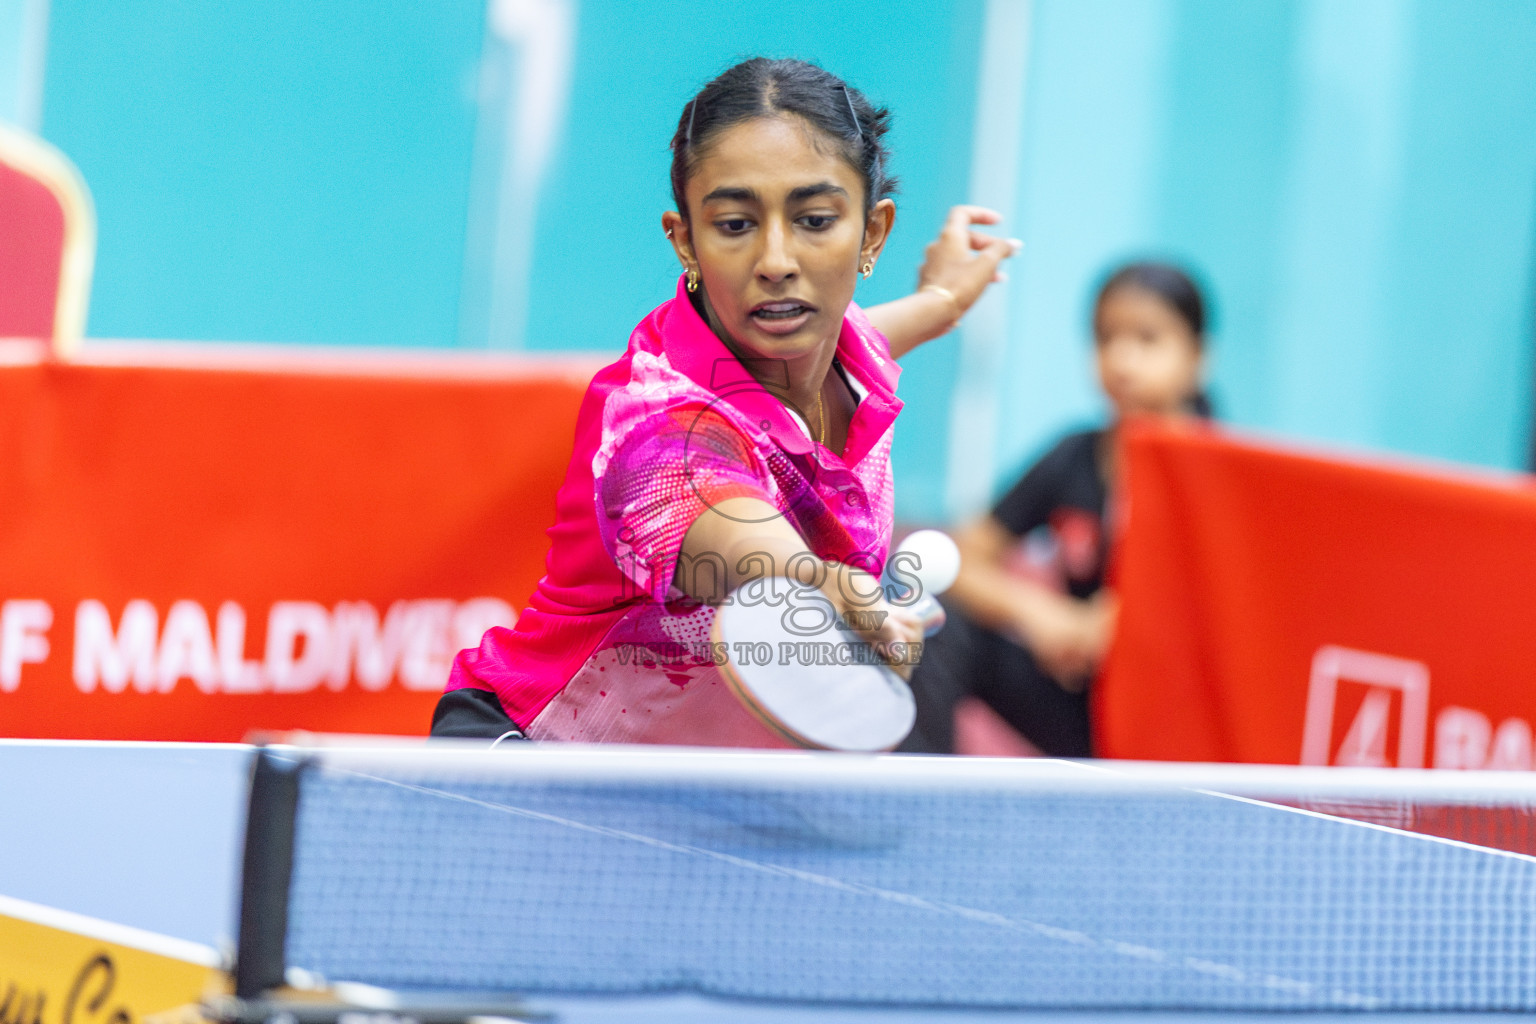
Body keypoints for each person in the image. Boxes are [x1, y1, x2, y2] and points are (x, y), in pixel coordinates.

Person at [431, 57, 1017, 744]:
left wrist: (941, 303)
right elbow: (733, 530)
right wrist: (824, 585)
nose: (776, 259)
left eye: (816, 219)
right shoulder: (653, 420)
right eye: (736, 224)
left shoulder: (839, 356)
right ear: (686, 241)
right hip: (536, 765)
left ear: (873, 233)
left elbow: (860, 336)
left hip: (687, 787)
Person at [904, 261, 1212, 756]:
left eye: (1147, 338)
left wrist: (1118, 626)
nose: (1122, 359)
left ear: (1198, 356)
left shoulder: (1222, 476)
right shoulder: (1074, 456)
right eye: (1106, 338)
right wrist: (1043, 615)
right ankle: (910, 805)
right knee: (937, 620)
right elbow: (960, 558)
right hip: (1083, 711)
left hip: (1175, 725)